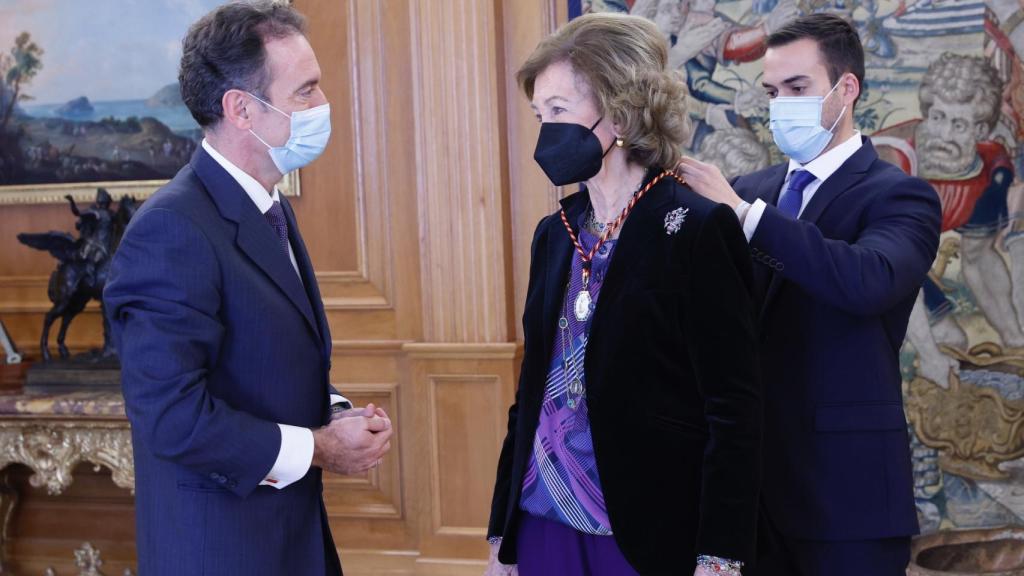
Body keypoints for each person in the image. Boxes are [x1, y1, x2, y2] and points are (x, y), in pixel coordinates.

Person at [103, 3, 392, 575]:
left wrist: (332, 415)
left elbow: (259, 363)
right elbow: (171, 415)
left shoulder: (264, 204)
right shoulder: (172, 228)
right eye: (306, 91)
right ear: (241, 109)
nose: (322, 105)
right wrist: (318, 448)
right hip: (223, 549)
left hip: (289, 539)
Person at [485, 13, 761, 576]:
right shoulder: (555, 233)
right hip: (542, 518)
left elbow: (733, 410)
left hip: (645, 529)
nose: (545, 132)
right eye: (540, 115)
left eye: (559, 111)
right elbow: (531, 388)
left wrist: (720, 556)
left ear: (621, 111)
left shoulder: (696, 229)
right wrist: (501, 534)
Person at [677, 13, 942, 576]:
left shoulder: (901, 196)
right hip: (744, 497)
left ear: (846, 89)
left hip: (847, 498)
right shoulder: (748, 190)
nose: (781, 105)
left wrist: (748, 218)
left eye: (797, 89)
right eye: (772, 92)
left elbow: (867, 280)